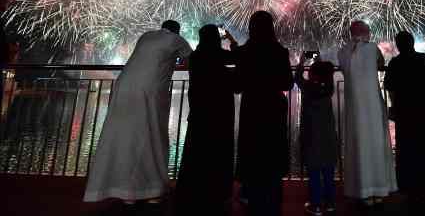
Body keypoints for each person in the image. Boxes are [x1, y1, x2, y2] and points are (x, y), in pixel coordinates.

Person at [84, 20, 193, 210]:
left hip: (123, 85)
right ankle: (151, 189)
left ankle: (118, 190)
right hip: (148, 92)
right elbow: (194, 60)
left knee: (121, 136)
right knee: (150, 137)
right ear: (177, 30)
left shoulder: (147, 36)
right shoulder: (176, 39)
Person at [174, 25, 238, 215]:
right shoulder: (220, 55)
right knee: (218, 150)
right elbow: (239, 57)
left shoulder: (195, 56)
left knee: (196, 148)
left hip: (199, 111)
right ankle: (217, 190)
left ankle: (192, 189)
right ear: (216, 38)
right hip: (220, 113)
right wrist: (231, 39)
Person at [235, 11, 294, 216]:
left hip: (252, 106)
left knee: (252, 149)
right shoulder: (280, 51)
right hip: (273, 107)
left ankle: (250, 194)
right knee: (272, 150)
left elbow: (237, 85)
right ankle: (273, 197)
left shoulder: (245, 52)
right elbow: (287, 82)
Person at [384, 31, 425, 204]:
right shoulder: (424, 59)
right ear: (412, 43)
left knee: (406, 147)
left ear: (398, 45)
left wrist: (394, 107)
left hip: (405, 112)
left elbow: (390, 87)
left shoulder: (395, 63)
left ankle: (409, 184)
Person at [337, 20, 397, 205]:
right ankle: (378, 189)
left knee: (357, 145)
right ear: (365, 32)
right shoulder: (372, 49)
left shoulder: (343, 51)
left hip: (354, 108)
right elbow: (380, 64)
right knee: (375, 144)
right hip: (372, 105)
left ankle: (360, 190)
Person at [294, 54, 338, 216]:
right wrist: (319, 61)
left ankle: (316, 204)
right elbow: (326, 74)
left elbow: (297, 77)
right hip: (328, 138)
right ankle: (331, 202)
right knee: (328, 172)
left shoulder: (308, 87)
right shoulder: (328, 88)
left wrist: (301, 62)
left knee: (313, 172)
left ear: (312, 74)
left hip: (311, 137)